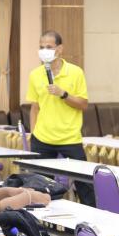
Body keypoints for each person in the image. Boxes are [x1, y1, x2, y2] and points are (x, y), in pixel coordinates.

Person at [26, 30, 94, 206]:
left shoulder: (76, 72)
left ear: (60, 49)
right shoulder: (35, 74)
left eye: (49, 47)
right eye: (41, 47)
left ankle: (94, 218)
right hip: (42, 138)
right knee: (40, 187)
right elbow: (35, 108)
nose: (44, 51)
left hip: (70, 138)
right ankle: (43, 220)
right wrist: (33, 134)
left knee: (86, 186)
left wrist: (63, 94)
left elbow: (83, 104)